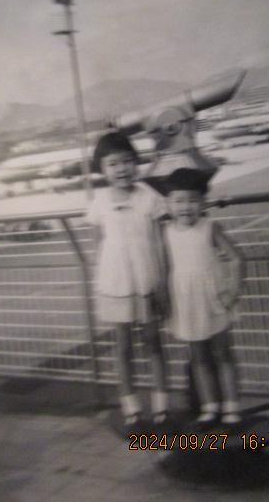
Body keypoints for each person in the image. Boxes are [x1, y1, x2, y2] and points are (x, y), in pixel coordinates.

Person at [86, 131, 169, 430]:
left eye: (127, 161)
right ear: (102, 169)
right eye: (113, 164)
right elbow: (100, 245)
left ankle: (161, 405)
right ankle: (131, 406)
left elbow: (160, 243)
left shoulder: (149, 197)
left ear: (136, 163)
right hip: (116, 285)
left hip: (147, 282)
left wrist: (162, 282)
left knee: (153, 344)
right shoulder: (100, 201)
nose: (121, 169)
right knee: (122, 347)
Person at [164, 167, 244, 426]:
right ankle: (209, 407)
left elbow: (236, 258)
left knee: (222, 353)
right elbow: (164, 269)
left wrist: (233, 291)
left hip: (212, 298)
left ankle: (231, 406)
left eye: (192, 200)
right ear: (168, 203)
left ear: (202, 202)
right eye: (178, 201)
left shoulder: (209, 227)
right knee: (197, 355)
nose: (185, 207)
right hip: (185, 302)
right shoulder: (164, 232)